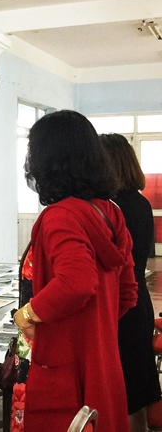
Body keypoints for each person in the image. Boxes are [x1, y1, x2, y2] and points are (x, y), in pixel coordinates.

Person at [14, 110, 138, 432]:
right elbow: (126, 293)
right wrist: (93, 328)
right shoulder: (110, 211)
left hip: (62, 363)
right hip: (101, 359)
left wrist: (27, 314)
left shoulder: (60, 216)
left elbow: (77, 282)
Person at [100, 133, 161, 432]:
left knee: (123, 383)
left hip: (121, 303)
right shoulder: (140, 202)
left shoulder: (111, 207)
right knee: (137, 380)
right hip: (138, 300)